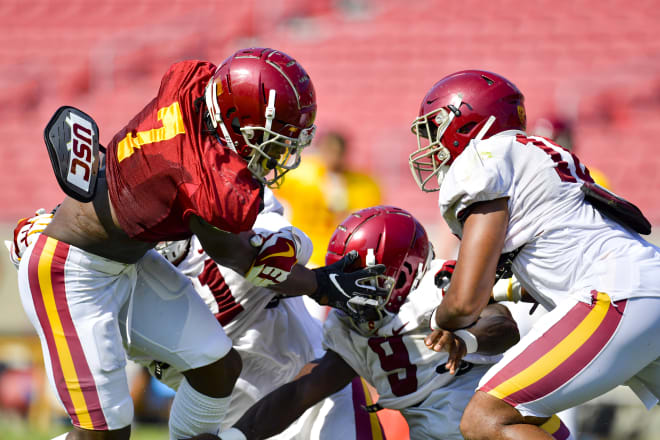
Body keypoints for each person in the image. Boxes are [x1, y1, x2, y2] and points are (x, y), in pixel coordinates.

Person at [10, 47, 385, 440]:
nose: (275, 156)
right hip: (74, 271)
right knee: (107, 435)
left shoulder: (189, 84)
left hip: (130, 262)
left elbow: (138, 171)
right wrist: (320, 284)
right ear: (235, 120)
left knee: (218, 367)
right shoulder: (212, 185)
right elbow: (247, 260)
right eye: (269, 141)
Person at [408, 69, 660, 439]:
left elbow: (464, 302)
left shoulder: (483, 158)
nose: (432, 144)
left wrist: (440, 320)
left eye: (436, 127)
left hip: (617, 292)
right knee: (528, 418)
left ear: (468, 121)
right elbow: (547, 267)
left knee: (487, 417)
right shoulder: (537, 155)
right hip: (642, 280)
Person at [213, 205, 524, 440]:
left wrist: (465, 338)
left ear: (402, 274)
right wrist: (233, 437)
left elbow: (503, 326)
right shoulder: (352, 326)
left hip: (495, 425)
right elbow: (300, 392)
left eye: (358, 278)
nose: (347, 288)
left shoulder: (438, 284)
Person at [152, 187, 384, 439]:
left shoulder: (220, 206)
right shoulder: (125, 292)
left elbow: (293, 245)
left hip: (322, 400)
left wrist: (285, 259)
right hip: (233, 428)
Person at [275, 130, 382, 268]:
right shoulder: (299, 176)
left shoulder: (365, 185)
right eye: (328, 150)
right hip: (302, 251)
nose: (332, 157)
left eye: (336, 152)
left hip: (340, 256)